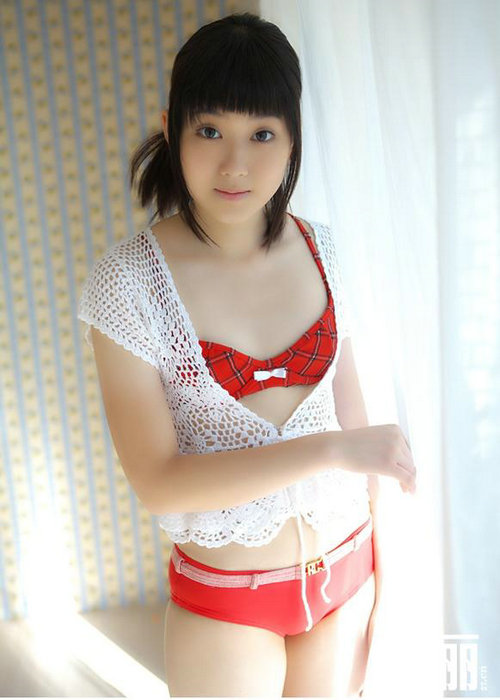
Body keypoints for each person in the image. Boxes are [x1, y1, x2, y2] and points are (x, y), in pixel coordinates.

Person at [78, 11, 417, 698]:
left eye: (262, 134)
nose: (235, 163)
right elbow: (160, 482)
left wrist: (397, 589)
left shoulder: (327, 250)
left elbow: (363, 436)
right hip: (229, 604)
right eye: (210, 131)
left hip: (350, 575)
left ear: (293, 137)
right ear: (172, 127)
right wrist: (329, 450)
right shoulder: (128, 283)